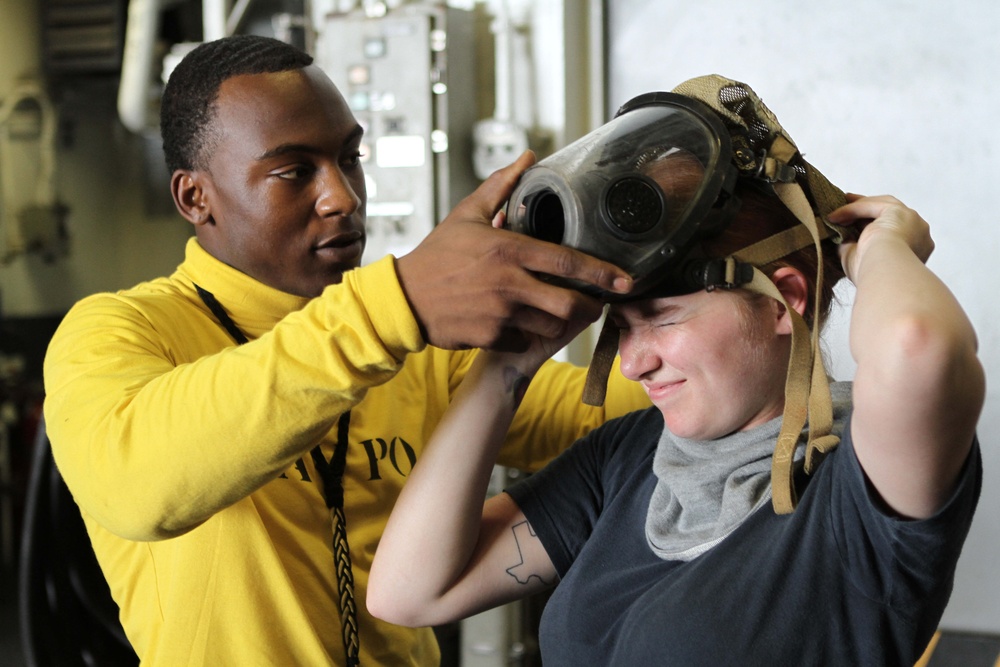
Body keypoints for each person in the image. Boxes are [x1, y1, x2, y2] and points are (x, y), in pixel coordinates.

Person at [42, 34, 651, 666]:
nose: (344, 197)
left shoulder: (415, 351)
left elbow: (609, 415)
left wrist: (703, 314)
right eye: (294, 171)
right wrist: (394, 306)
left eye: (349, 158)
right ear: (195, 197)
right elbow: (137, 485)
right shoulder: (123, 331)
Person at [367, 76, 985, 665]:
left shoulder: (857, 484)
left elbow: (917, 347)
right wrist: (510, 359)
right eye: (621, 324)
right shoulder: (629, 457)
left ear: (784, 300)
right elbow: (409, 593)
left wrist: (879, 249)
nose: (633, 364)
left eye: (662, 317)